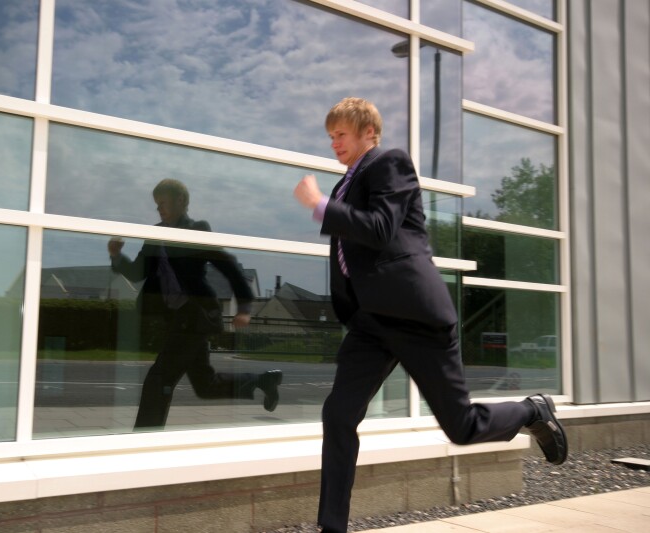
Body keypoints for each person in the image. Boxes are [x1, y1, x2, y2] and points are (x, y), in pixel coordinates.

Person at [293, 97, 567, 533]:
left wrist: (320, 205)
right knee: (339, 415)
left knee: (461, 426)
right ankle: (332, 528)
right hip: (370, 324)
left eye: (340, 134)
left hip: (414, 316)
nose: (334, 144)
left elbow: (381, 227)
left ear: (368, 132)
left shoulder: (390, 164)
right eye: (330, 137)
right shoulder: (347, 183)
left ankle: (531, 410)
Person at [109, 178, 282, 430]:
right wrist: (116, 255)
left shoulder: (197, 230)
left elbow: (227, 265)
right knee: (205, 385)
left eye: (163, 203)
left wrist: (244, 307)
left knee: (158, 379)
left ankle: (143, 440)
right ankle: (263, 381)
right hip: (177, 320)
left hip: (196, 317)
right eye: (157, 205)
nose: (159, 209)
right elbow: (138, 272)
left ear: (181, 201)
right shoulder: (155, 235)